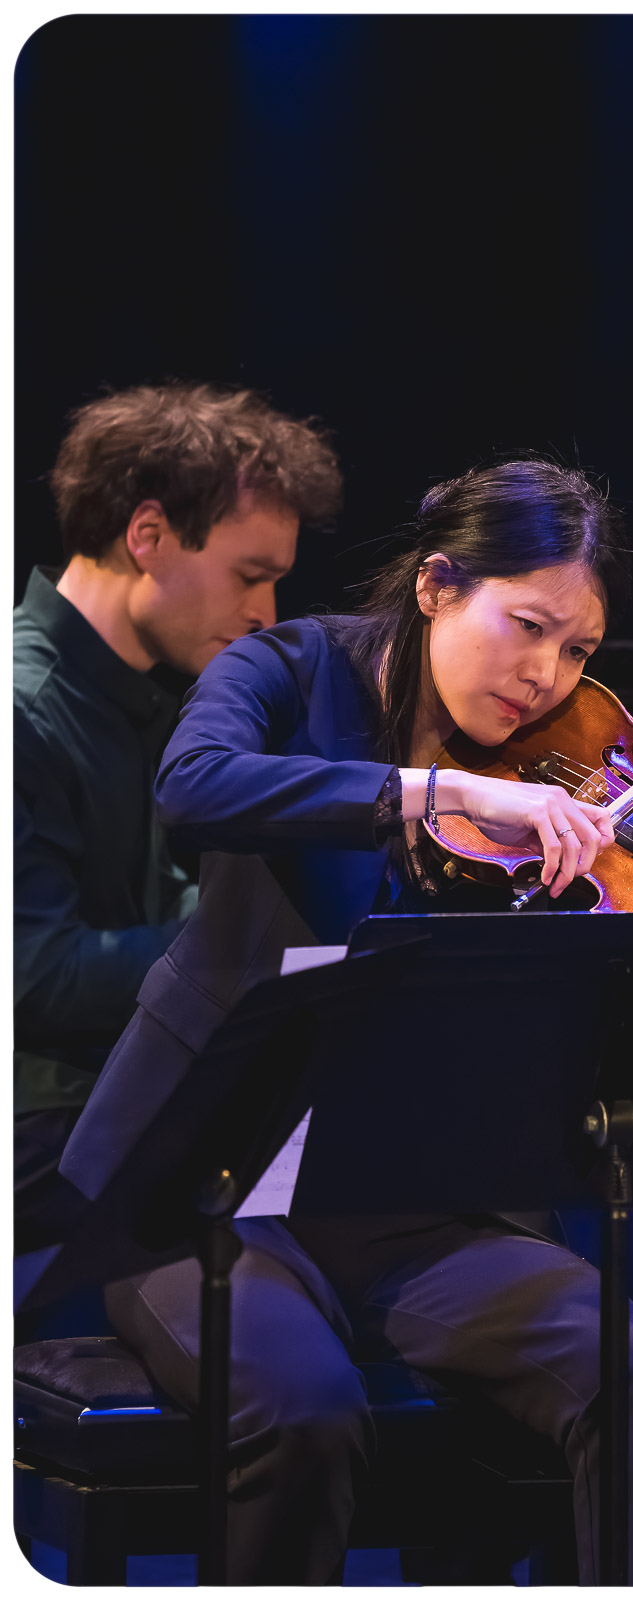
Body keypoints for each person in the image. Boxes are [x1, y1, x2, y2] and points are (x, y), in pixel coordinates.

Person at [60, 456, 633, 1584]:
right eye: (527, 626)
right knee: (302, 1407)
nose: (547, 677)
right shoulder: (287, 665)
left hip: (413, 1202)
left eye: (578, 651)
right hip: (204, 1189)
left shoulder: (563, 775)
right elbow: (196, 783)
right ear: (436, 586)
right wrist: (442, 791)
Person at [14, 382, 342, 1249]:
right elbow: (31, 978)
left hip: (129, 1094)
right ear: (148, 536)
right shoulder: (20, 710)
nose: (266, 616)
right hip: (44, 1124)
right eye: (250, 576)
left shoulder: (162, 698)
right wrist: (245, 928)